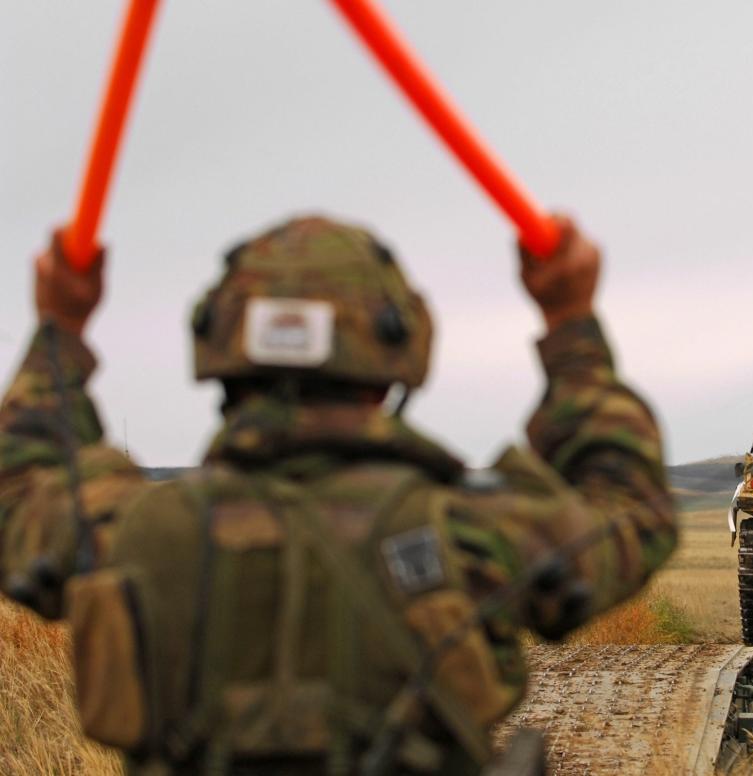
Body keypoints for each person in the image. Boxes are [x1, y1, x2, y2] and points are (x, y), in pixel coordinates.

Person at [0, 215, 677, 774]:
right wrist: (570, 320)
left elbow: (21, 483)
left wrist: (60, 329)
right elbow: (630, 505)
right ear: (397, 347)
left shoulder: (132, 535)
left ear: (220, 345)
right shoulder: (468, 533)